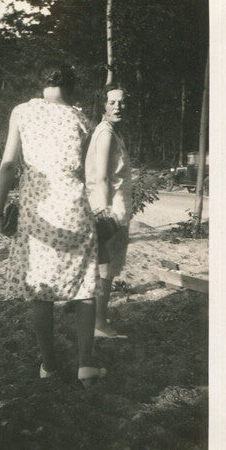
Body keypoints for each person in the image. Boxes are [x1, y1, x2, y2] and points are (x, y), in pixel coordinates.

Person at [0, 65, 102, 386]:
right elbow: (91, 174)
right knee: (84, 288)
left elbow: (9, 164)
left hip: (36, 208)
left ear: (43, 87)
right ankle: (85, 366)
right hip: (74, 206)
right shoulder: (82, 120)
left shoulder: (21, 112)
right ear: (70, 89)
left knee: (40, 291)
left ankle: (48, 365)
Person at [85, 85, 132, 340]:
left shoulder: (112, 132)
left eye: (122, 103)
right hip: (110, 210)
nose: (117, 107)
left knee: (107, 267)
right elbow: (101, 176)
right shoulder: (105, 133)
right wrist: (105, 215)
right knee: (106, 268)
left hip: (115, 208)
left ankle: (99, 318)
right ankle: (100, 324)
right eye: (112, 102)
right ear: (103, 105)